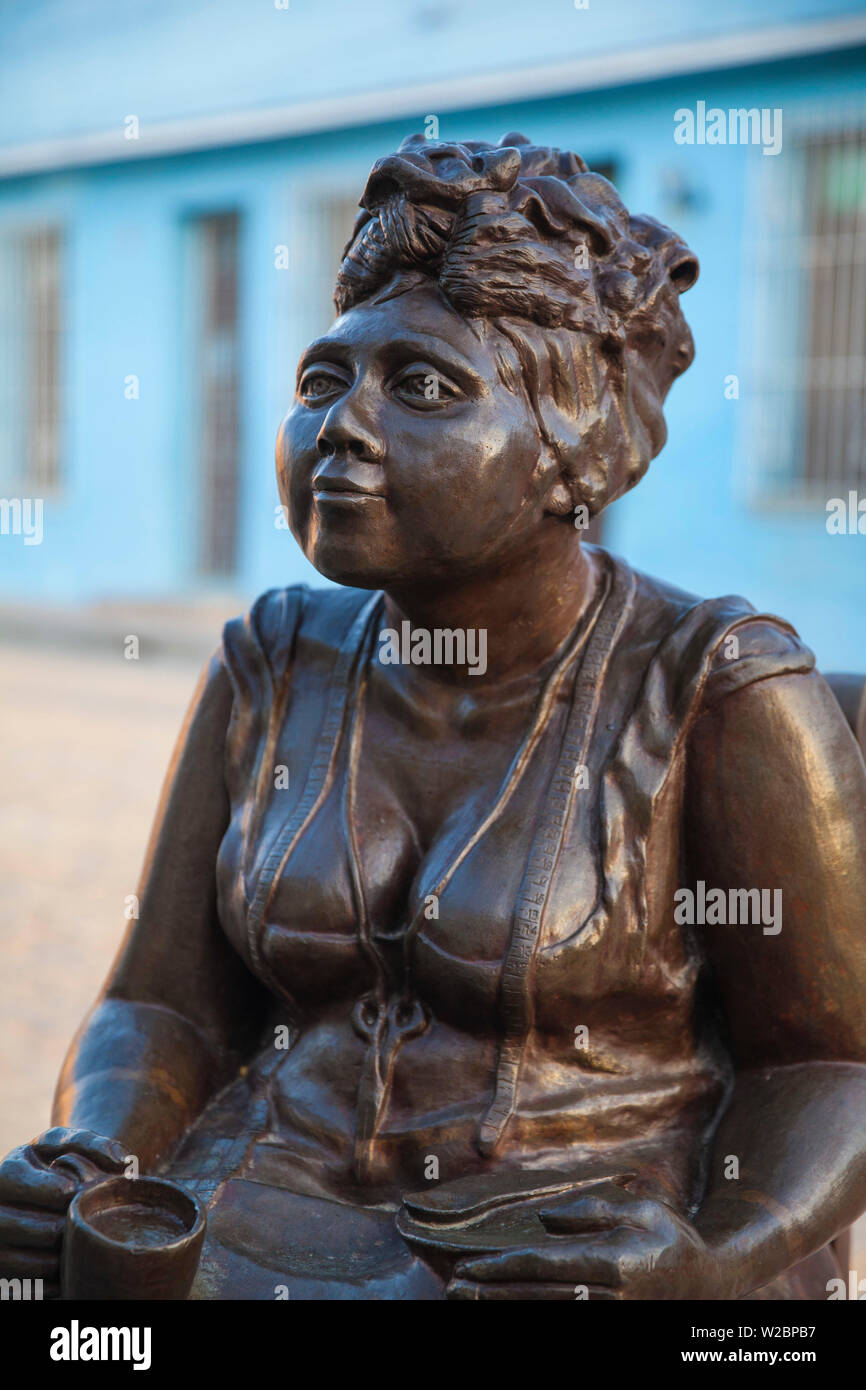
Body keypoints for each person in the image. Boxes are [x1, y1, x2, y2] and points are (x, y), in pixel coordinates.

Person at [3, 134, 866, 1300]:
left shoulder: (715, 689)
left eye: (422, 387)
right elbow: (158, 1001)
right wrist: (100, 1154)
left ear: (577, 446)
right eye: (321, 381)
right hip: (258, 1209)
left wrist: (715, 1258)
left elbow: (827, 1060)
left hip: (572, 1241)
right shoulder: (271, 661)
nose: (339, 428)